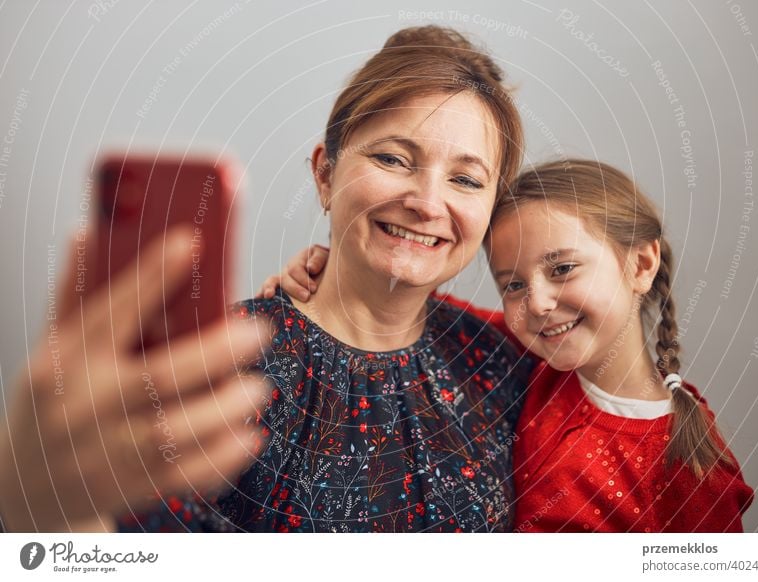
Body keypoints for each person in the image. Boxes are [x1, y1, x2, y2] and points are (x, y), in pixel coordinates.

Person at [0, 25, 532, 532]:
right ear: (326, 173)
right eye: (393, 159)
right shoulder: (218, 367)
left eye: (466, 179)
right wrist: (42, 511)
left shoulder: (506, 359)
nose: (427, 202)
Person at [264, 159, 754, 532]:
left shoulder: (691, 467)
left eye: (562, 269)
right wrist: (334, 269)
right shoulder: (513, 355)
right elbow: (411, 301)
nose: (537, 303)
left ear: (641, 265)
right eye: (513, 284)